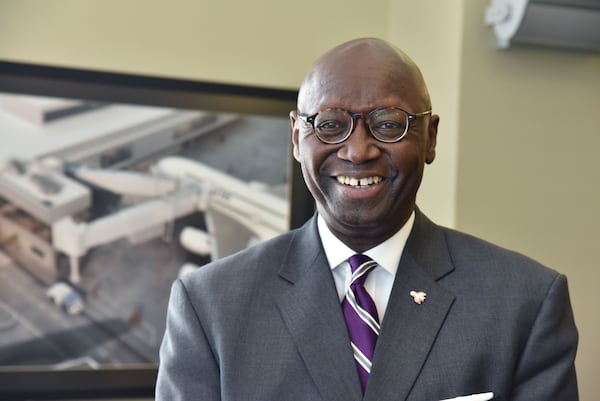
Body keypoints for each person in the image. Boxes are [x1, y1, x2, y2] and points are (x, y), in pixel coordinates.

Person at [155, 38, 578, 401]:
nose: (358, 151)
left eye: (389, 124)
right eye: (331, 125)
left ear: (430, 137)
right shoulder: (210, 306)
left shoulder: (524, 301)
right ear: (297, 138)